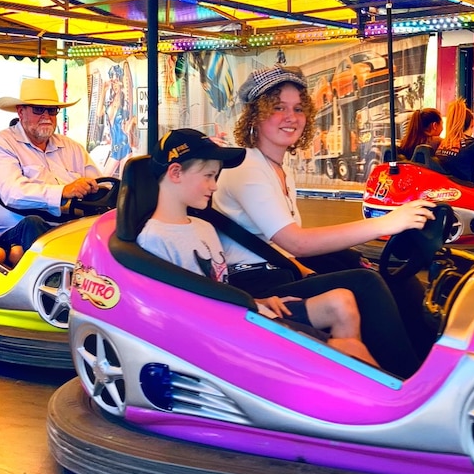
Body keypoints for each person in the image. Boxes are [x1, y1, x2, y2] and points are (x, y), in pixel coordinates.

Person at [213, 65, 437, 359]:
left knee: (388, 273)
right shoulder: (247, 167)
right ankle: (407, 376)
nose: (291, 117)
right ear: (256, 117)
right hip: (255, 283)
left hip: (279, 269)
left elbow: (289, 249)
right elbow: (296, 242)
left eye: (297, 109)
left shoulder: (277, 167)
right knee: (365, 283)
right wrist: (386, 223)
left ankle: (429, 356)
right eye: (278, 108)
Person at [138, 128, 378, 366]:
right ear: (176, 172)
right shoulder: (155, 239)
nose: (214, 186)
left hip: (243, 314)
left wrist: (258, 301)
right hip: (226, 336)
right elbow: (177, 314)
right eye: (208, 176)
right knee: (351, 348)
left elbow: (220, 287)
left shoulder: (204, 227)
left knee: (341, 301)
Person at [0, 78, 101, 265]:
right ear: (21, 112)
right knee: (33, 223)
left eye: (52, 110)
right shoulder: (0, 144)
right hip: (15, 234)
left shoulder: (72, 148)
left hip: (70, 229)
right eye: (39, 109)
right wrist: (63, 191)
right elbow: (12, 192)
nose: (47, 116)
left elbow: (100, 183)